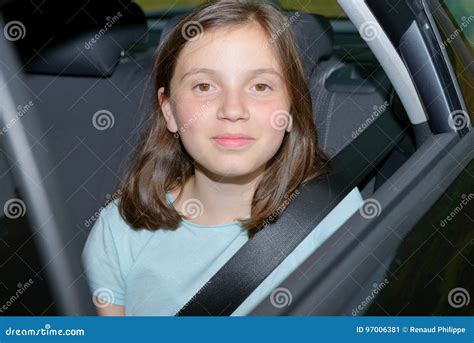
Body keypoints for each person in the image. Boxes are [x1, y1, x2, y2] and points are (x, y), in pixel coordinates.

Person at [82, 0, 363, 316]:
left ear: (292, 108)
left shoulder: (334, 219)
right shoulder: (120, 229)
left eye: (260, 86)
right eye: (204, 86)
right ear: (169, 110)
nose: (232, 109)